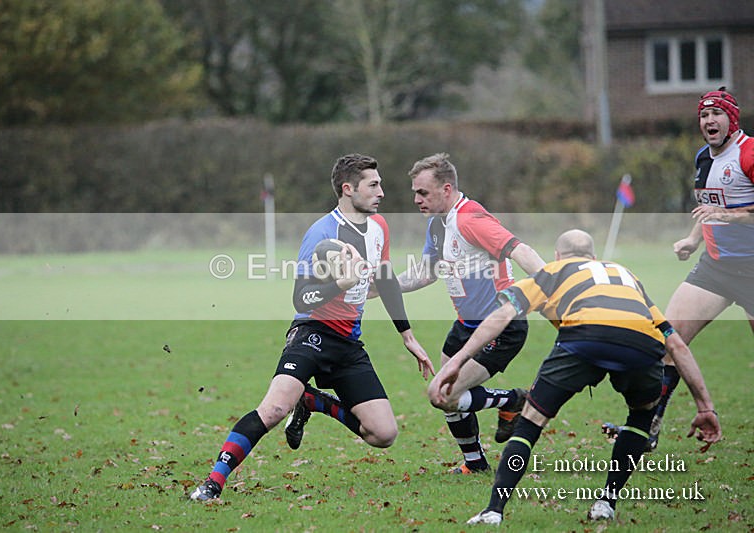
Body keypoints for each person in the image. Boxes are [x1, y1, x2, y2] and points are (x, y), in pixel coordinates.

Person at [430, 229, 722, 525]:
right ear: (594, 257)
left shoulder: (552, 271)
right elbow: (675, 344)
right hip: (641, 343)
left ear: (557, 256)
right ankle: (606, 502)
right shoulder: (625, 275)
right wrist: (705, 407)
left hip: (584, 338)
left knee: (530, 422)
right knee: (641, 416)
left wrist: (459, 360)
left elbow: (502, 316)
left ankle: (493, 510)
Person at [190, 153, 435, 501]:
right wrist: (339, 285)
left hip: (349, 342)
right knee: (274, 409)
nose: (382, 191)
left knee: (383, 434)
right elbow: (300, 299)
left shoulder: (379, 226)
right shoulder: (321, 233)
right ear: (348, 189)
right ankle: (213, 482)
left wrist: (407, 335)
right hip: (312, 333)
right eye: (374, 184)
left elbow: (386, 278)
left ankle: (315, 402)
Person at [605, 87, 753, 452]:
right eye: (703, 116)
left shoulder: (749, 153)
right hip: (716, 269)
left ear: (732, 119)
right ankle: (647, 427)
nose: (708, 121)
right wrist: (693, 239)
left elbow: (722, 211)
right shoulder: (704, 158)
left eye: (716, 114)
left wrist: (725, 216)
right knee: (667, 341)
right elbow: (708, 207)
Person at [397, 153, 545, 475]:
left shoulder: (470, 219)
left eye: (423, 192)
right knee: (446, 393)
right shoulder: (437, 225)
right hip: (465, 325)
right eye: (415, 192)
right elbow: (426, 273)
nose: (416, 199)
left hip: (500, 326)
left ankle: (515, 401)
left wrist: (555, 284)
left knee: (442, 394)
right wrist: (382, 287)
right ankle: (475, 463)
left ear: (446, 189)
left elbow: (521, 251)